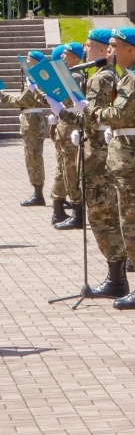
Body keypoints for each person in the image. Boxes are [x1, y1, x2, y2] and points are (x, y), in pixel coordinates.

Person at [76, 29, 135, 309]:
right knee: (127, 220)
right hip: (126, 154)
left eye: (114, 46)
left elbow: (120, 114)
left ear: (130, 49)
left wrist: (90, 112)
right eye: (109, 46)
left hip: (134, 156)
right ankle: (125, 282)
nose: (109, 51)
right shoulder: (128, 77)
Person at [51, 31, 128, 293]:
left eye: (87, 44)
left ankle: (117, 279)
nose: (84, 48)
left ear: (101, 47)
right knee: (102, 216)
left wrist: (62, 112)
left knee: (103, 217)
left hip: (98, 157)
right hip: (95, 153)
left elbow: (93, 117)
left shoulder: (103, 77)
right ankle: (116, 275)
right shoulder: (102, 75)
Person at [3, 50, 51, 207]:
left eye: (29, 60)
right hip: (31, 121)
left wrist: (1, 95)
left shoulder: (36, 81)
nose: (26, 62)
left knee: (33, 158)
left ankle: (38, 194)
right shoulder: (34, 79)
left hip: (32, 123)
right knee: (32, 157)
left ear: (36, 63)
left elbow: (18, 102)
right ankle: (37, 192)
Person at [47, 43, 84, 225]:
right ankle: (72, 208)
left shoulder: (74, 75)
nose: (62, 57)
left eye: (66, 55)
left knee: (65, 168)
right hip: (68, 124)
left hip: (67, 124)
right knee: (69, 169)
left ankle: (59, 208)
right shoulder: (72, 76)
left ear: (76, 58)